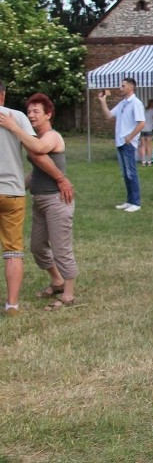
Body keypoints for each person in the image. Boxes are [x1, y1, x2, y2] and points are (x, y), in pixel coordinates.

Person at [0, 82, 74, 315]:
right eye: (29, 111)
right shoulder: (23, 124)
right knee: (35, 247)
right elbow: (36, 168)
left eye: (36, 111)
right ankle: (55, 281)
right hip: (28, 197)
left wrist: (15, 127)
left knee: (60, 247)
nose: (31, 115)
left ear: (48, 114)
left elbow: (38, 151)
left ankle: (68, 293)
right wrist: (18, 186)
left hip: (55, 200)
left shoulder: (50, 136)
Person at [96, 78, 145, 212]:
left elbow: (142, 123)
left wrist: (130, 136)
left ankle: (136, 202)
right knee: (125, 173)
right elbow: (109, 115)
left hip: (128, 142)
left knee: (131, 173)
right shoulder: (123, 103)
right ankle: (130, 201)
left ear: (130, 88)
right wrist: (103, 101)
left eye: (123, 86)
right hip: (120, 142)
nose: (120, 88)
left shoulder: (136, 103)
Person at [139, 98, 153, 166]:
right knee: (149, 146)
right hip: (149, 129)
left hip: (142, 129)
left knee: (142, 146)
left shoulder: (143, 110)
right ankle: (149, 161)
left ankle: (143, 161)